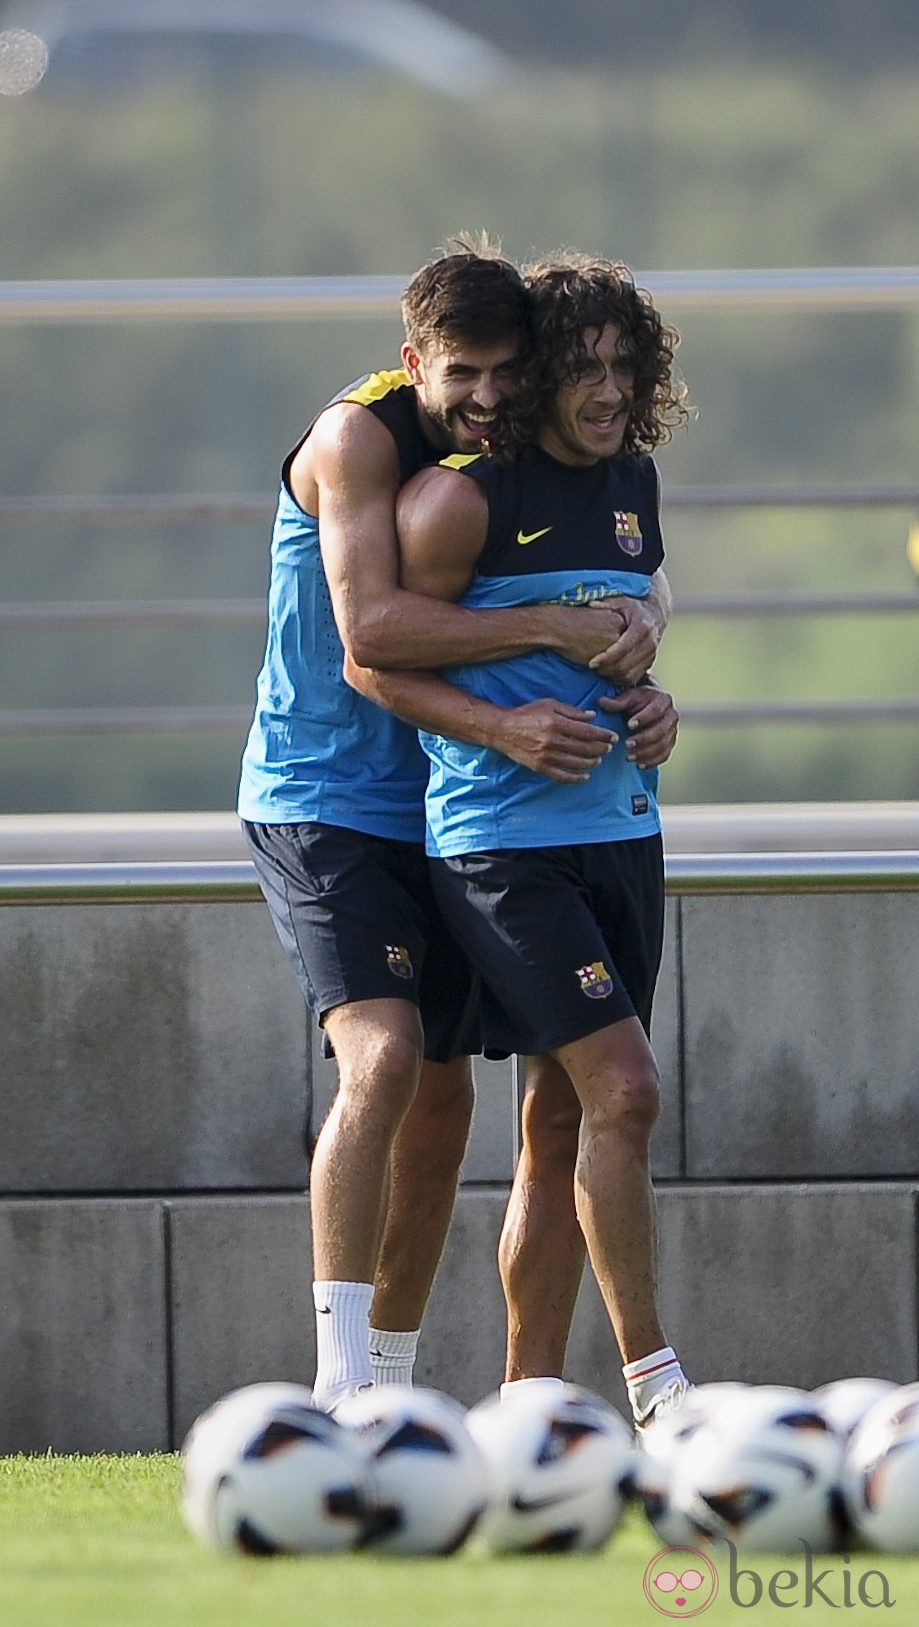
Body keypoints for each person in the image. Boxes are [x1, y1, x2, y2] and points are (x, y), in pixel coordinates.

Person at [238, 238, 676, 1411]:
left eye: (504, 372)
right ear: (412, 361)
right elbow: (371, 637)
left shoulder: (521, 460)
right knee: (380, 1062)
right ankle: (337, 1394)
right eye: (461, 376)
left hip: (445, 803)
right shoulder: (361, 440)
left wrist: (638, 646)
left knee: (446, 1099)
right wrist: (547, 635)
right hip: (328, 795)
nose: (485, 397)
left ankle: (400, 1386)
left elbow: (620, 576)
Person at [383, 252, 693, 1425]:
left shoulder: (634, 480)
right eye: (583, 366)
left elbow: (633, 636)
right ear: (539, 375)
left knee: (563, 1119)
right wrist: (505, 729)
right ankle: (658, 1386)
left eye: (625, 361)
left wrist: (659, 708)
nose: (608, 386)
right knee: (627, 1091)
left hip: (622, 829)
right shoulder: (461, 497)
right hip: (500, 846)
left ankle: (529, 1402)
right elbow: (381, 659)